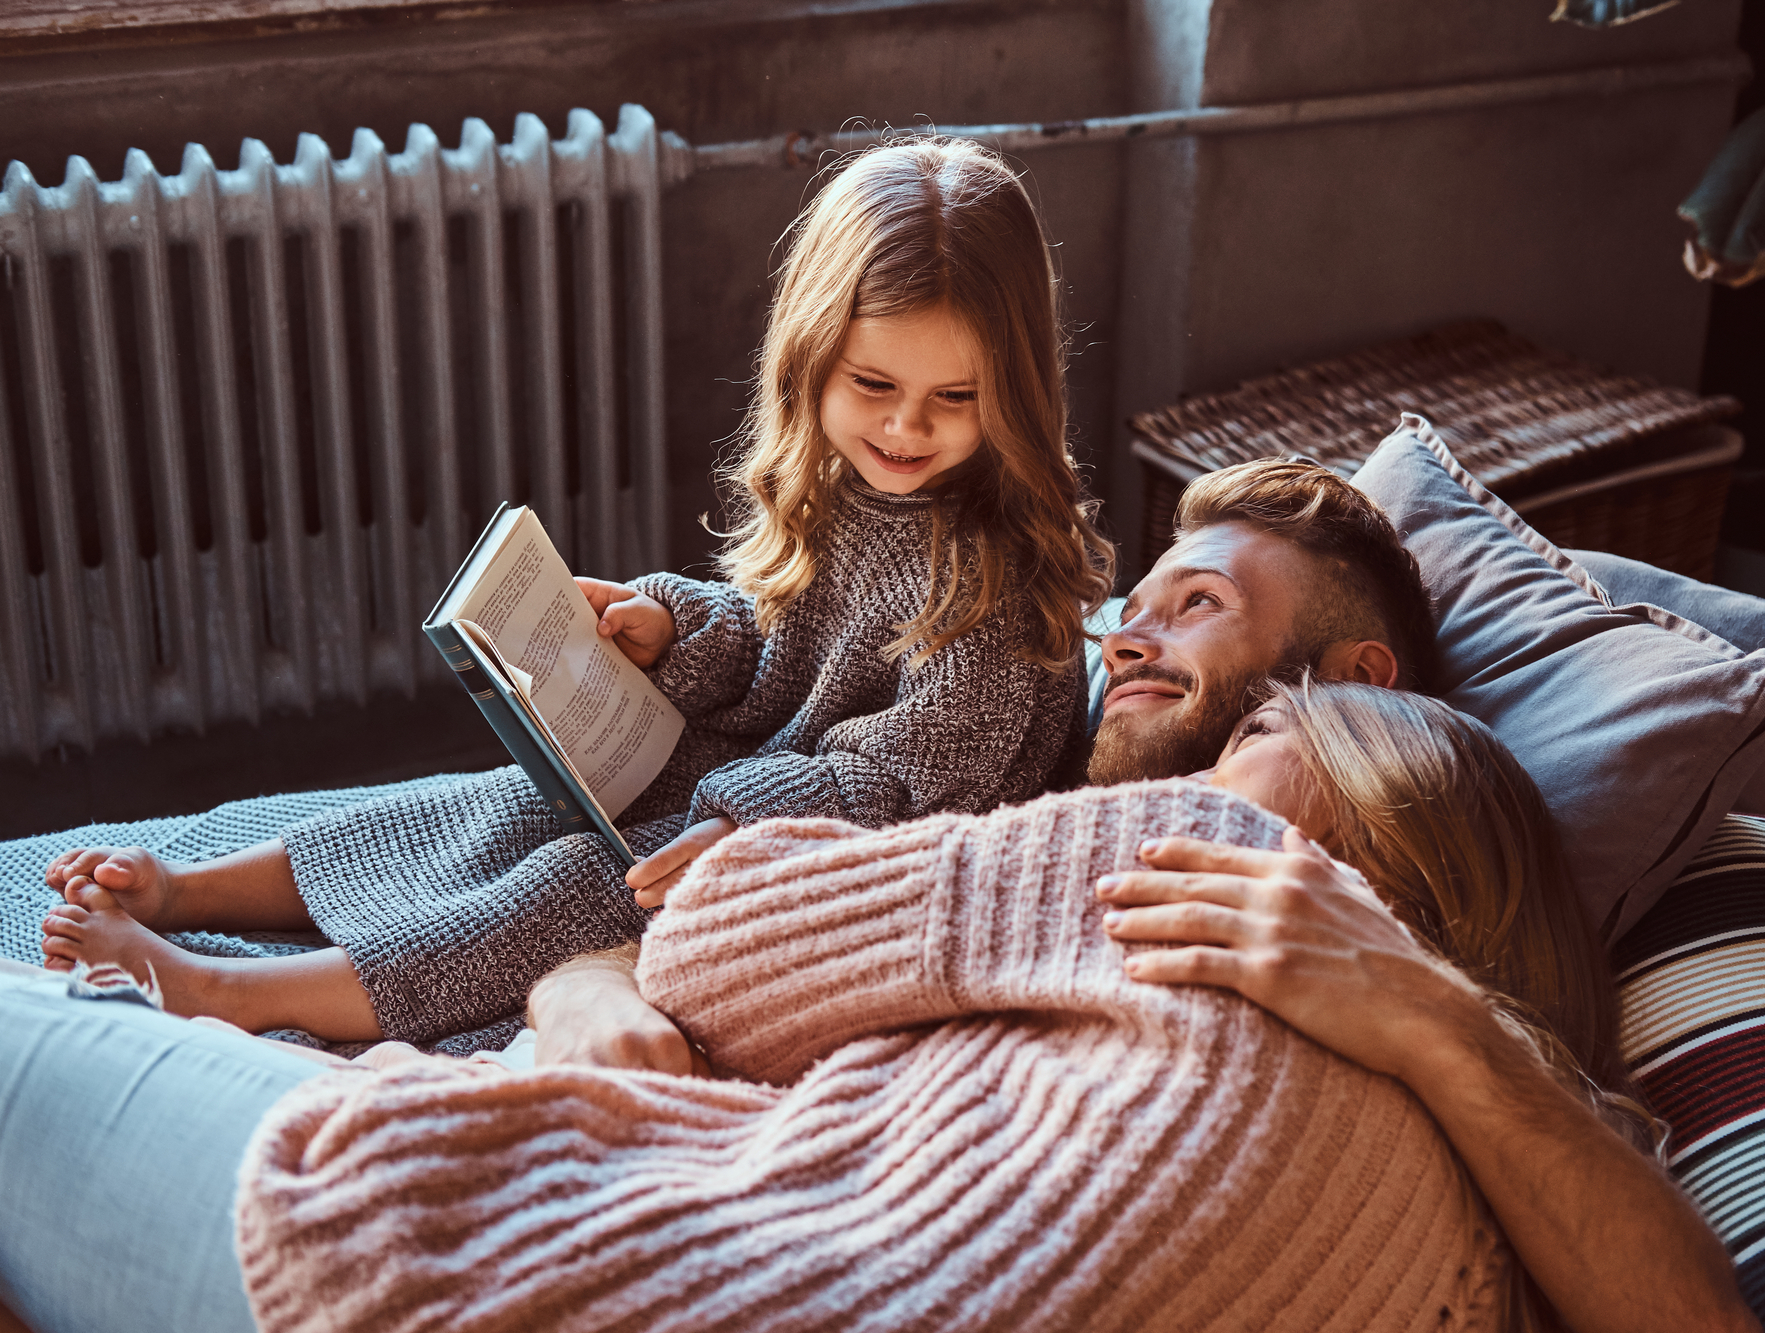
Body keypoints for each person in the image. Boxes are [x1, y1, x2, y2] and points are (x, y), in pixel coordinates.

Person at [0, 678, 1748, 1333]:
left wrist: (609, 982)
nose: (1187, 735)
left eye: (1244, 729)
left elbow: (708, 939)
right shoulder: (1488, 1229)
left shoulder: (1209, 857)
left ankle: (217, 990)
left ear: (1375, 782)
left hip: (475, 1266)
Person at [36, 136, 1114, 1048]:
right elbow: (775, 634)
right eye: (871, 386)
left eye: (954, 399)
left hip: (850, 853)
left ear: (1012, 388)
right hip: (752, 782)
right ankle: (192, 892)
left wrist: (747, 820)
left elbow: (900, 778)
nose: (904, 429)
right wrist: (673, 626)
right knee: (502, 806)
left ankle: (218, 989)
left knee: (568, 894)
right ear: (807, 360)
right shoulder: (850, 492)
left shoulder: (996, 587)